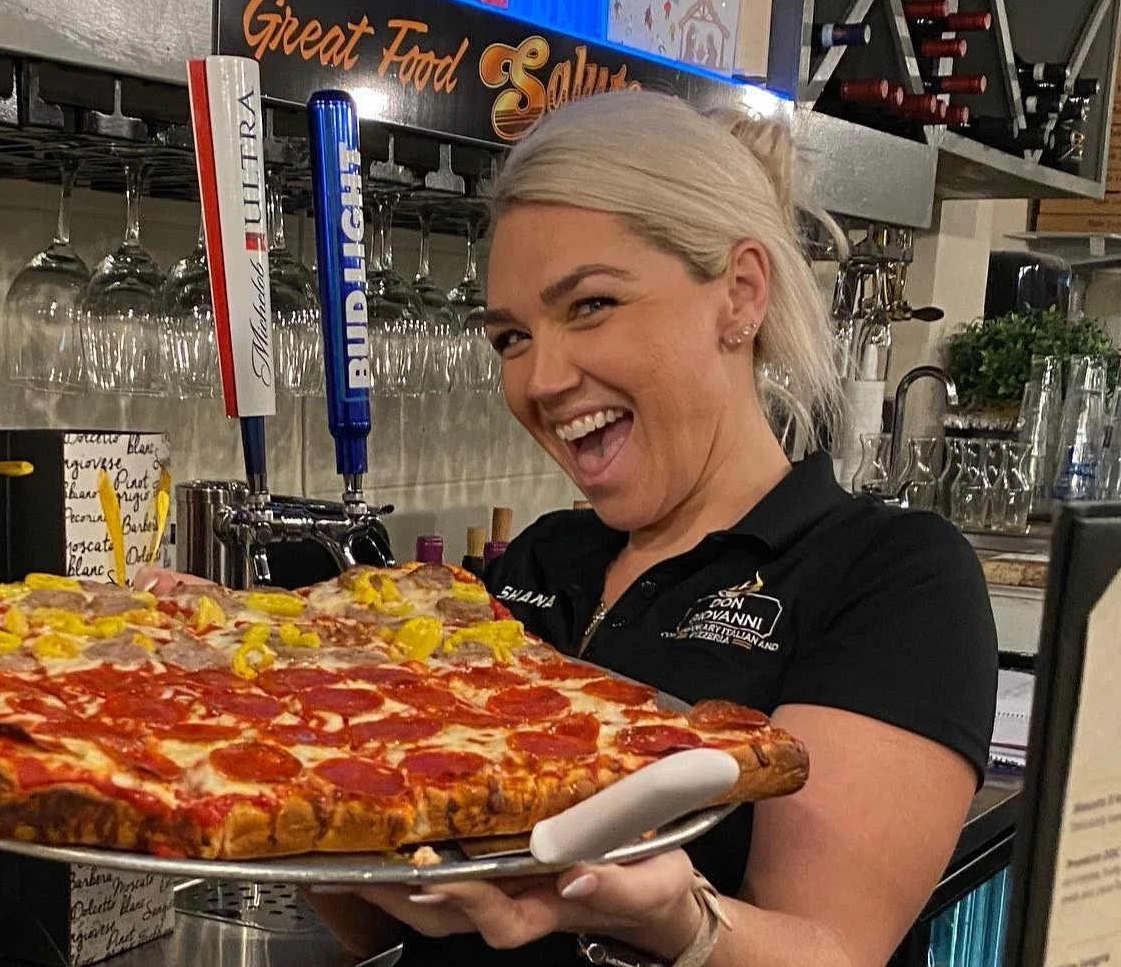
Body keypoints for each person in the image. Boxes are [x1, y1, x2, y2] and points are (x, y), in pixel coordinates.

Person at [301, 91, 998, 966]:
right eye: (512, 337)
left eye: (590, 305)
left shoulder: (890, 576)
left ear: (740, 295)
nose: (544, 379)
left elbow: (834, 949)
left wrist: (678, 920)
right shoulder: (540, 557)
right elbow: (385, 924)